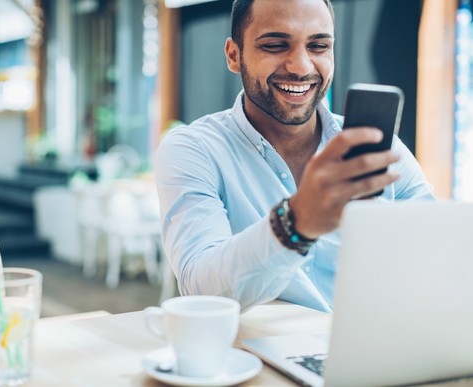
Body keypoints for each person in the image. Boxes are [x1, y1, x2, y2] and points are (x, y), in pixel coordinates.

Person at [154, 0, 434, 312]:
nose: (301, 67)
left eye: (318, 46)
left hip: (370, 347)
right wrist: (296, 222)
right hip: (259, 357)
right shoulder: (195, 149)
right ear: (234, 55)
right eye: (275, 45)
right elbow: (201, 289)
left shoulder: (383, 151)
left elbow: (437, 256)